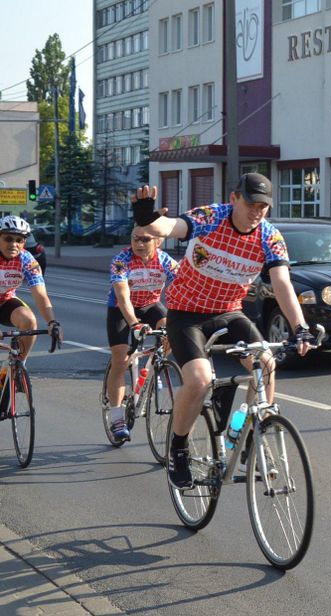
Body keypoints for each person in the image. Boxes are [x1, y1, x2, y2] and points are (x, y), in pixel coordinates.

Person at [131, 173, 314, 489]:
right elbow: (171, 227)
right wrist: (149, 220)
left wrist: (300, 327)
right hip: (186, 313)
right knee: (200, 380)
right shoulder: (211, 217)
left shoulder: (269, 237)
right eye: (251, 203)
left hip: (229, 312)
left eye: (264, 206)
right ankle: (178, 448)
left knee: (265, 365)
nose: (257, 211)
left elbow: (282, 283)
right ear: (235, 198)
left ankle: (249, 440)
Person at [104, 227, 179, 443]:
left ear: (158, 242)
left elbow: (181, 288)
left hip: (150, 305)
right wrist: (135, 324)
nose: (138, 243)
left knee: (171, 330)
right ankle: (117, 417)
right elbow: (122, 295)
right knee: (121, 359)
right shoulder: (122, 260)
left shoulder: (165, 261)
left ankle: (154, 365)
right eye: (135, 238)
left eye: (145, 239)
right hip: (121, 309)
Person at [0, 215, 62, 367]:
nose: (14, 244)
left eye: (19, 240)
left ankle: (19, 365)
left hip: (5, 300)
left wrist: (52, 322)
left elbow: (40, 295)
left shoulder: (27, 260)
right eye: (8, 238)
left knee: (29, 321)